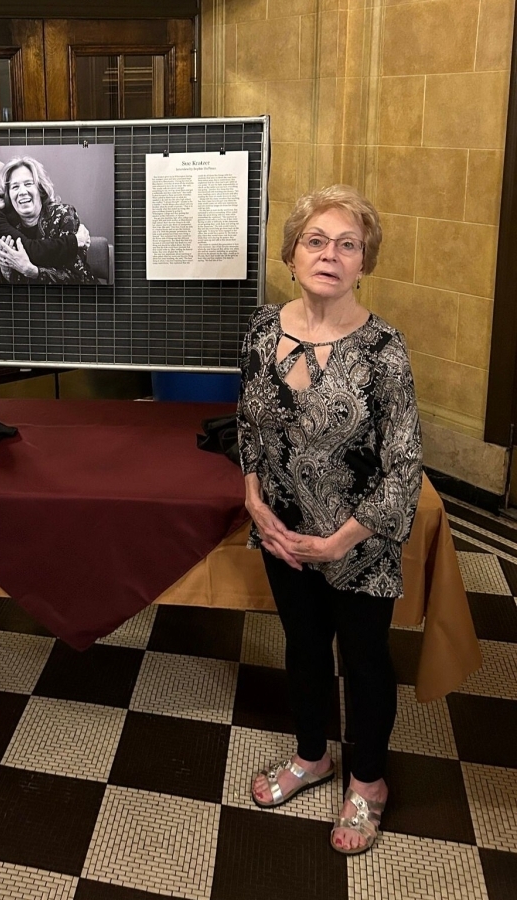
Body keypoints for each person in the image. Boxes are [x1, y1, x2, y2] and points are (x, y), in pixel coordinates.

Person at [238, 185, 422, 855]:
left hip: (358, 543)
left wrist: (337, 543)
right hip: (281, 535)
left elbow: (404, 468)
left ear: (364, 262)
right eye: (316, 240)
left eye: (349, 244)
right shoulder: (262, 328)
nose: (331, 254)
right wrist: (255, 502)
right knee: (303, 645)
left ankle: (368, 781)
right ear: (291, 254)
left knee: (366, 660)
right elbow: (248, 427)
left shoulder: (383, 350)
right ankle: (313, 756)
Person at [0, 158, 90, 284]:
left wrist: (30, 270)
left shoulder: (60, 215)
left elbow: (77, 277)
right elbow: (28, 250)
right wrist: (75, 241)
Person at [0, 155, 96, 284]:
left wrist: (32, 271)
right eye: (15, 187)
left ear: (40, 188)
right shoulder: (9, 227)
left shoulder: (64, 215)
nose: (22, 192)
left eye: (28, 184)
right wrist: (6, 273)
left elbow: (77, 277)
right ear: (8, 196)